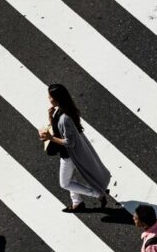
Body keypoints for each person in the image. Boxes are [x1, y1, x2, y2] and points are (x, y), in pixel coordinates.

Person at [39, 84, 111, 212]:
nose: (48, 98)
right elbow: (58, 129)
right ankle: (77, 203)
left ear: (57, 98)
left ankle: (97, 194)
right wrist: (50, 119)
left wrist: (50, 138)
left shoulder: (64, 118)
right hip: (67, 153)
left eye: (50, 96)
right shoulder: (62, 110)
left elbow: (69, 142)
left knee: (65, 183)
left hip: (69, 155)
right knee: (70, 178)